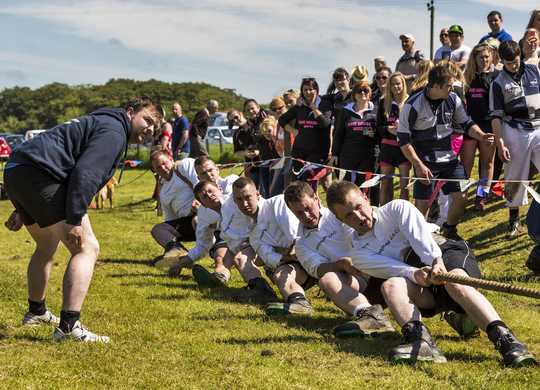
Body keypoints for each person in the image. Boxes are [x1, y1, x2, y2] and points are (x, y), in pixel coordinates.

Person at [3, 96, 162, 342]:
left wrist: (23, 207)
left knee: (46, 245)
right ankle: (69, 327)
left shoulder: (100, 121)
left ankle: (37, 313)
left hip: (18, 170)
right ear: (130, 112)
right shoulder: (114, 131)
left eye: (155, 127)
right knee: (86, 248)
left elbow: (58, 160)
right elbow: (85, 172)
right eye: (148, 120)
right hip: (39, 175)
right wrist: (74, 219)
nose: (150, 129)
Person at [326, 181, 536, 366]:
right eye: (349, 215)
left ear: (365, 197)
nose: (359, 217)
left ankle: (507, 342)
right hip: (420, 276)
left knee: (456, 284)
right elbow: (394, 269)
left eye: (358, 207)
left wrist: (436, 261)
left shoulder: (397, 208)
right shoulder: (359, 253)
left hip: (444, 251)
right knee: (389, 285)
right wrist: (416, 273)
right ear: (340, 220)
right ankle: (421, 342)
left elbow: (421, 240)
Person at [284, 181, 395, 337]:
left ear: (316, 198)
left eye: (308, 208)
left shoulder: (339, 214)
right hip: (358, 282)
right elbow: (317, 269)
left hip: (385, 263)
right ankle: (370, 315)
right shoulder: (302, 243)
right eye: (299, 213)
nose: (306, 216)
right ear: (291, 212)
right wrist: (341, 264)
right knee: (326, 280)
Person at [397, 63, 494, 241]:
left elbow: (466, 124)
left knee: (462, 196)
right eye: (448, 86)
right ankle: (417, 240)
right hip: (424, 161)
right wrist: (417, 165)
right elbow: (403, 140)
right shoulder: (412, 105)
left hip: (449, 159)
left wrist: (481, 136)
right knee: (422, 206)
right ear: (435, 86)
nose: (452, 88)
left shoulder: (453, 99)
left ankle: (449, 228)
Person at [490, 40, 540, 238]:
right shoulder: (497, 83)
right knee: (514, 175)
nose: (514, 65)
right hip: (514, 130)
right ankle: (514, 218)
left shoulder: (534, 70)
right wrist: (500, 142)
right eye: (509, 63)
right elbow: (495, 116)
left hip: (538, 126)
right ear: (502, 61)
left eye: (516, 61)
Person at [244, 191, 314, 315]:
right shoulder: (253, 234)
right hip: (298, 264)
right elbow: (270, 258)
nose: (244, 203)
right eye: (238, 199)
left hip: (319, 253)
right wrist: (287, 256)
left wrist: (287, 251)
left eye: (248, 197)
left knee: (331, 279)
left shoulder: (278, 202)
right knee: (280, 274)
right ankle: (299, 303)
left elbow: (296, 237)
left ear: (257, 194)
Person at [463, 44, 499, 211]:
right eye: (481, 57)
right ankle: (462, 196)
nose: (484, 60)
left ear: (491, 57)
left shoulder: (496, 76)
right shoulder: (468, 77)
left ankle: (480, 196)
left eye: (487, 57)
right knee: (466, 164)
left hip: (489, 125)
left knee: (487, 163)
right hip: (470, 126)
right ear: (475, 59)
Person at [278, 77, 332, 186]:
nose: (308, 92)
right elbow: (282, 120)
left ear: (316, 90)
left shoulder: (324, 104)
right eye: (305, 90)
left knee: (310, 183)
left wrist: (313, 107)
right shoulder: (299, 106)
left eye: (311, 89)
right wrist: (293, 130)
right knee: (298, 183)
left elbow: (325, 124)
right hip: (299, 151)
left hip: (317, 152)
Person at [150, 151, 198, 267]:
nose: (162, 168)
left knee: (197, 219)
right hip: (187, 223)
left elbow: (201, 184)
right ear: (155, 171)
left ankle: (216, 252)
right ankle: (179, 253)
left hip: (203, 213)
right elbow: (171, 219)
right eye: (158, 167)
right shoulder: (164, 191)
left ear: (171, 159)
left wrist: (199, 202)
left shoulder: (184, 166)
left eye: (164, 163)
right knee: (158, 229)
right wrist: (170, 241)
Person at [331, 81, 378, 189]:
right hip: (348, 156)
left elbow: (380, 133)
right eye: (359, 91)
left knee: (365, 188)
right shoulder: (345, 111)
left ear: (370, 93)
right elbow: (338, 134)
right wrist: (334, 154)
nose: (362, 93)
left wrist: (373, 134)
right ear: (354, 94)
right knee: (347, 188)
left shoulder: (376, 110)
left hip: (369, 156)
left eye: (365, 90)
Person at [377, 72, 410, 205]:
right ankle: (384, 217)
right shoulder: (384, 102)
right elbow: (378, 127)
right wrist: (387, 129)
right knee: (385, 183)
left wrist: (402, 129)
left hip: (404, 148)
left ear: (403, 84)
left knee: (405, 186)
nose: (396, 87)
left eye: (398, 83)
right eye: (393, 84)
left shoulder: (410, 101)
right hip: (387, 147)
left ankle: (403, 218)